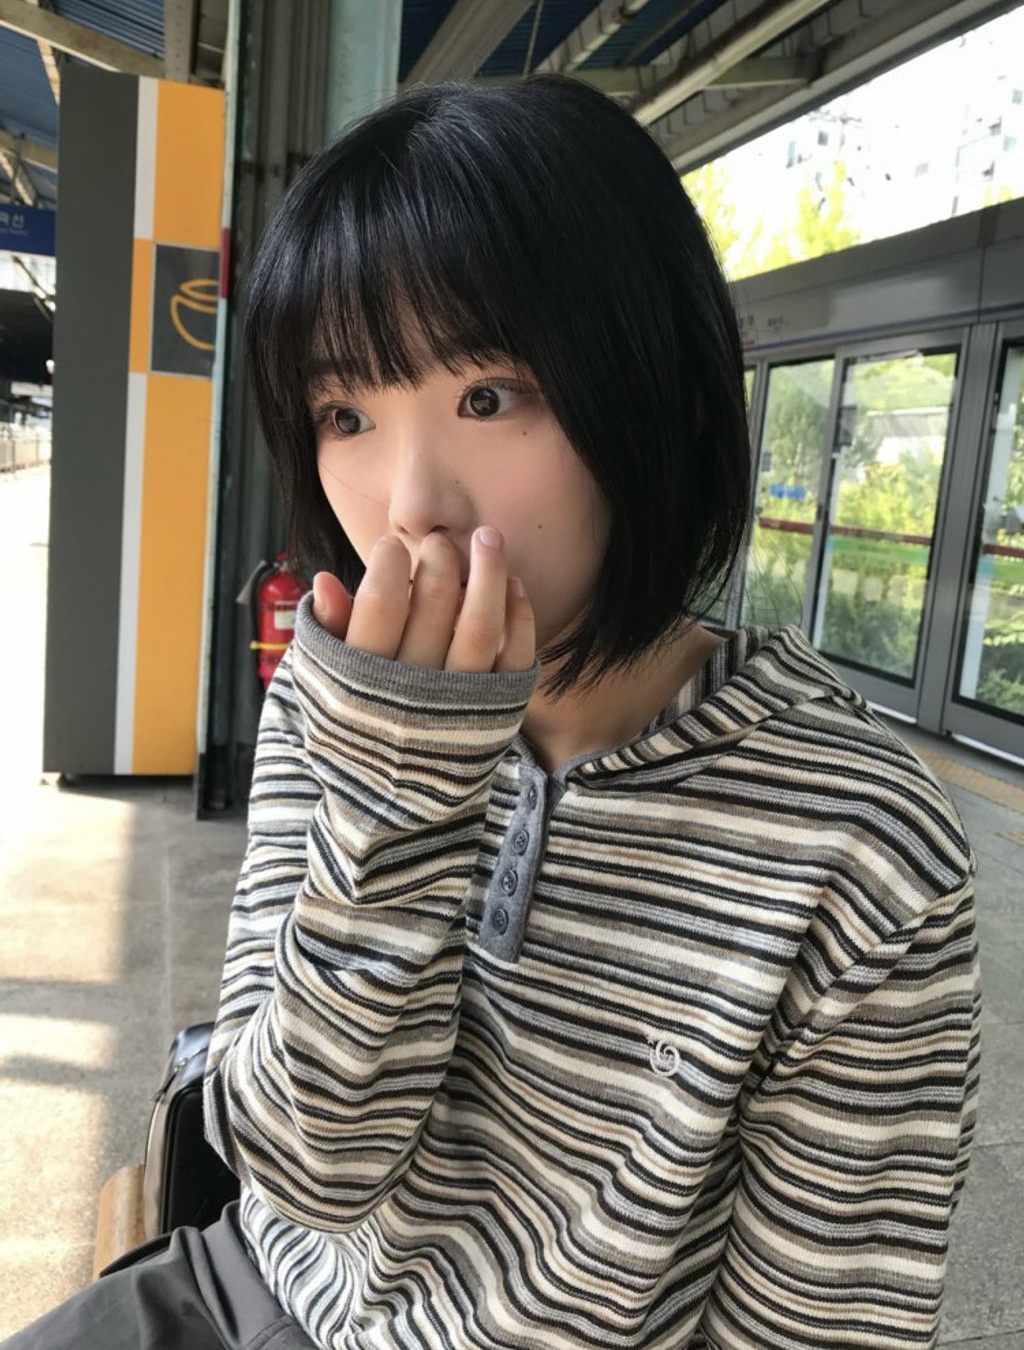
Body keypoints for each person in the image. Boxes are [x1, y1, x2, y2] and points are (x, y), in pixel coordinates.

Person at [6, 74, 981, 1350]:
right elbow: (303, 1173)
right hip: (258, 1293)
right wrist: (400, 792)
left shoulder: (858, 842)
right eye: (346, 414)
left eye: (488, 396)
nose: (412, 503)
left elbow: (818, 1322)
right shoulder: (329, 704)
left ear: (666, 396)